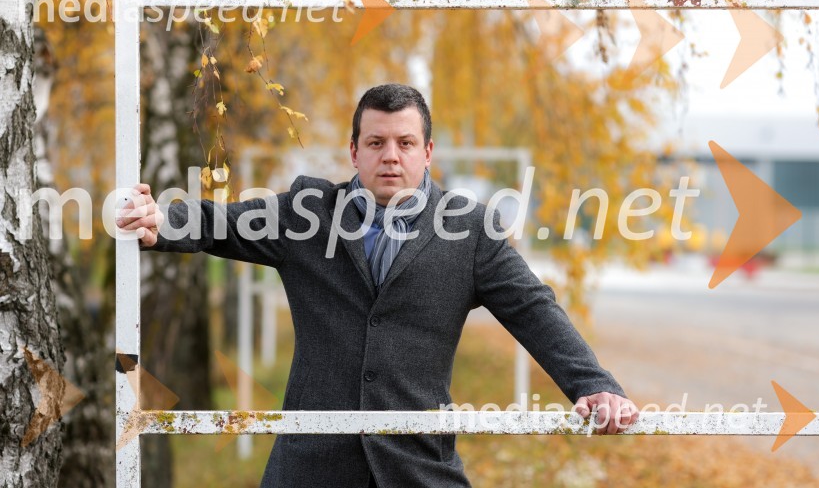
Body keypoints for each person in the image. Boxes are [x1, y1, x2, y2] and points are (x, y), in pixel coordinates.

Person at [117, 83, 638, 488]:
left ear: (428, 151)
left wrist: (594, 385)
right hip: (310, 468)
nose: (392, 155)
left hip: (418, 468)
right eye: (377, 142)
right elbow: (220, 222)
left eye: (406, 143)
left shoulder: (471, 231)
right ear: (354, 152)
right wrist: (158, 220)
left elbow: (535, 309)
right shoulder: (306, 213)